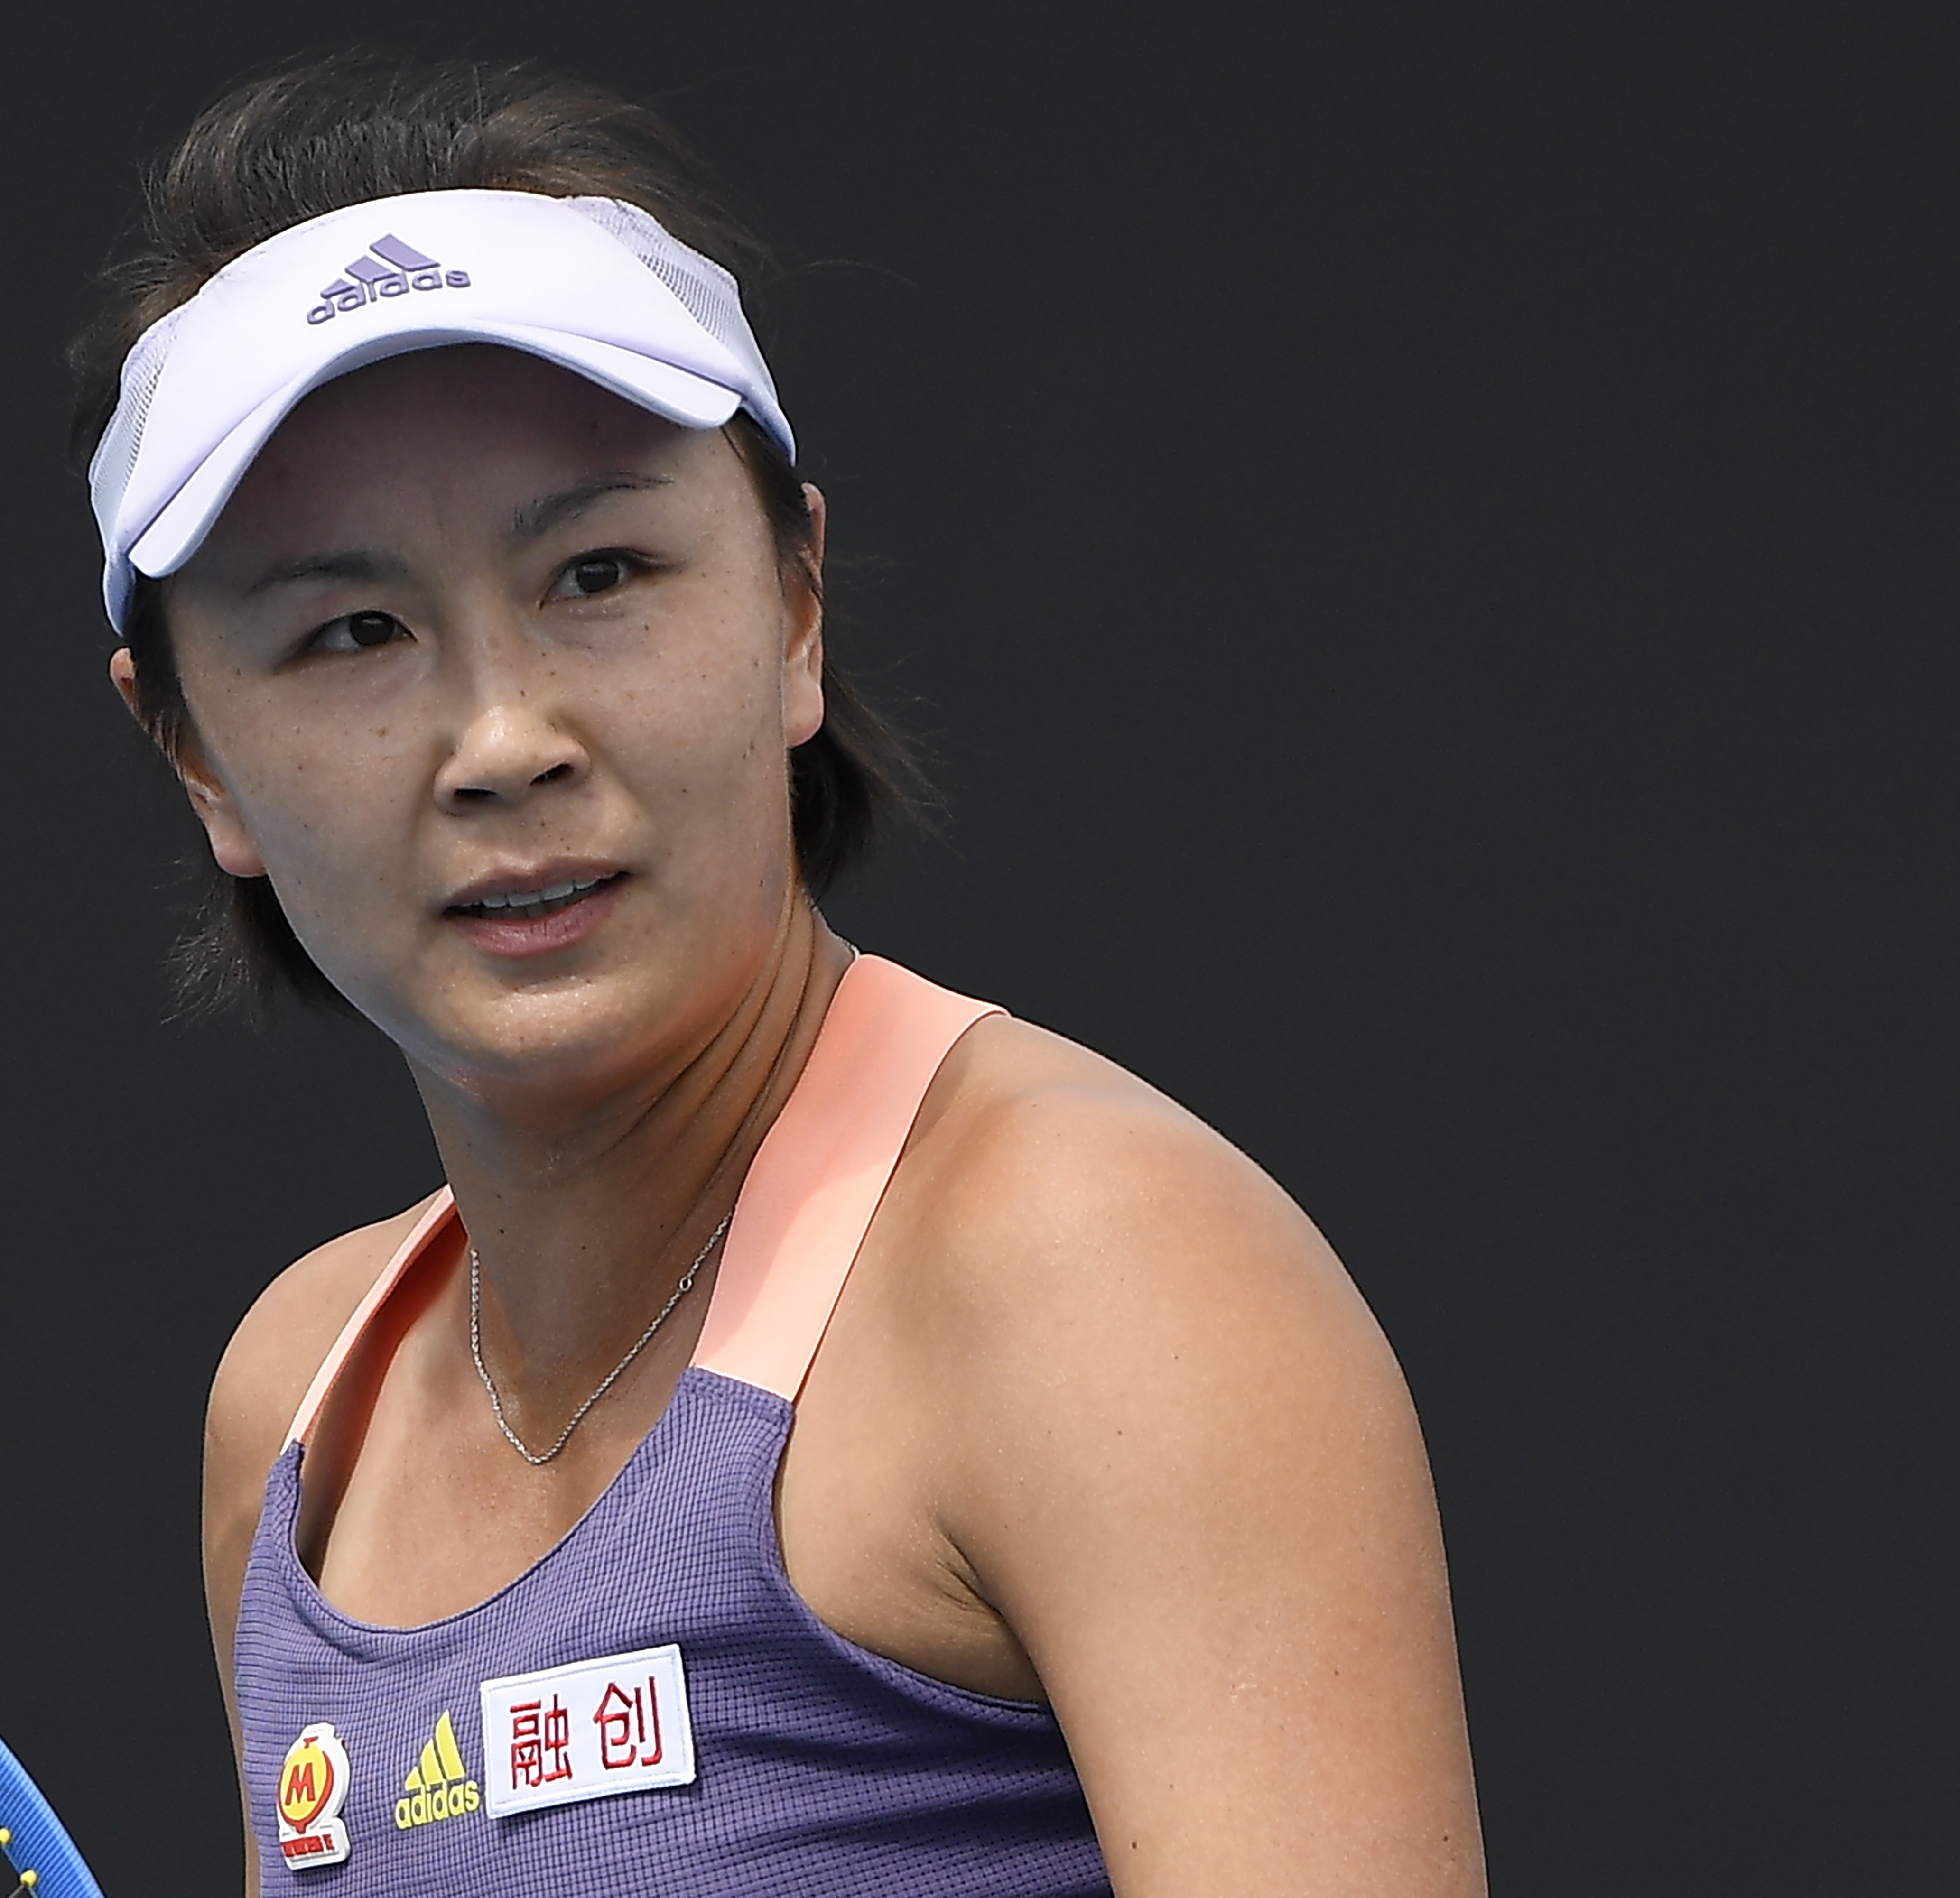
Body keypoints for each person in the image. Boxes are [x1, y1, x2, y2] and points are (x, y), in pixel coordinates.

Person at [71, 54, 1487, 1898]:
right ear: (196, 758)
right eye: (352, 630)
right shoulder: (301, 1410)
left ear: (797, 607)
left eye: (600, 570)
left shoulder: (1099, 1274)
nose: (504, 734)